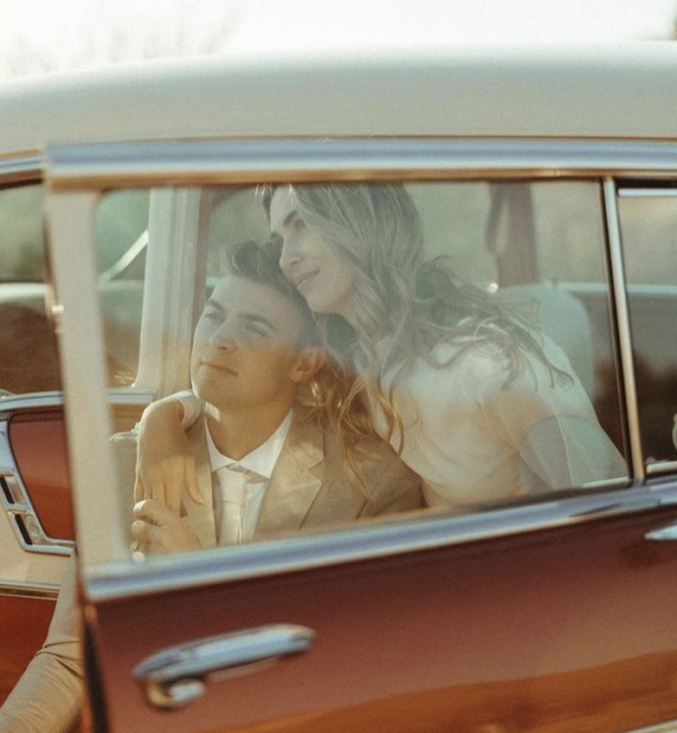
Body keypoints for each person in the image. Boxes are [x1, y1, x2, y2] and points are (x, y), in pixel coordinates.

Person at [0, 240, 421, 733]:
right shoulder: (121, 464)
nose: (220, 339)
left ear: (304, 363)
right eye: (213, 315)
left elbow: (351, 677)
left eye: (253, 328)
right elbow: (71, 658)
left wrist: (196, 583)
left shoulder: (371, 486)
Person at [140, 182, 626, 512]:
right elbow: (253, 400)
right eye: (279, 237)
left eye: (302, 225)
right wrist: (160, 422)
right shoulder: (356, 361)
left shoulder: (487, 364)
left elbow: (604, 511)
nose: (287, 258)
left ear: (359, 221)